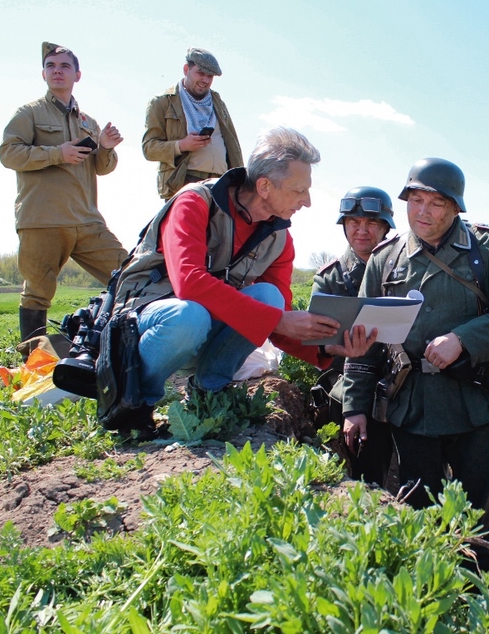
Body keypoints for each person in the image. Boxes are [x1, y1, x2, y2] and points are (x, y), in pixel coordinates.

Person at [110, 127, 376, 438]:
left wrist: (325, 347)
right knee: (190, 315)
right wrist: (278, 320)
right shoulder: (195, 203)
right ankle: (134, 404)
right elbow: (190, 283)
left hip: (198, 325)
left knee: (269, 297)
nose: (307, 202)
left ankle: (208, 391)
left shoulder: (279, 238)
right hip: (143, 317)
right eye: (298, 190)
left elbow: (280, 318)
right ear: (264, 186)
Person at [341, 158, 489, 571]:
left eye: (435, 203)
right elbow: (365, 342)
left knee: (481, 520)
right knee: (419, 514)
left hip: (477, 402)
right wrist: (354, 407)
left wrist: (464, 340)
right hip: (413, 405)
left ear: (455, 208)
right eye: (415, 200)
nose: (423, 212)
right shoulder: (385, 259)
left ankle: (482, 600)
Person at [0, 42, 128, 350]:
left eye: (64, 66)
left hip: (86, 221)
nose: (57, 71)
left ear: (77, 75)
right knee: (38, 292)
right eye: (51, 66)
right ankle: (34, 366)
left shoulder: (88, 122)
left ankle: (119, 349)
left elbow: (102, 167)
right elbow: (8, 153)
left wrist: (107, 147)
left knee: (125, 273)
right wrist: (58, 153)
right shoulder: (29, 113)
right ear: (43, 74)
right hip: (43, 220)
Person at [311, 186, 396, 486]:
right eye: (354, 223)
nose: (362, 230)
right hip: (348, 385)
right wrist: (336, 346)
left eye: (372, 223)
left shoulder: (404, 268)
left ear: (386, 227)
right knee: (365, 478)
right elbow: (316, 339)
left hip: (401, 381)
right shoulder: (331, 278)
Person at [142, 47, 243, 200]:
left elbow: (232, 144)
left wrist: (240, 182)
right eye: (201, 73)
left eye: (210, 76)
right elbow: (149, 149)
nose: (205, 80)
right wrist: (181, 145)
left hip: (221, 185)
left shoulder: (218, 102)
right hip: (184, 183)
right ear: (186, 69)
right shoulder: (162, 102)